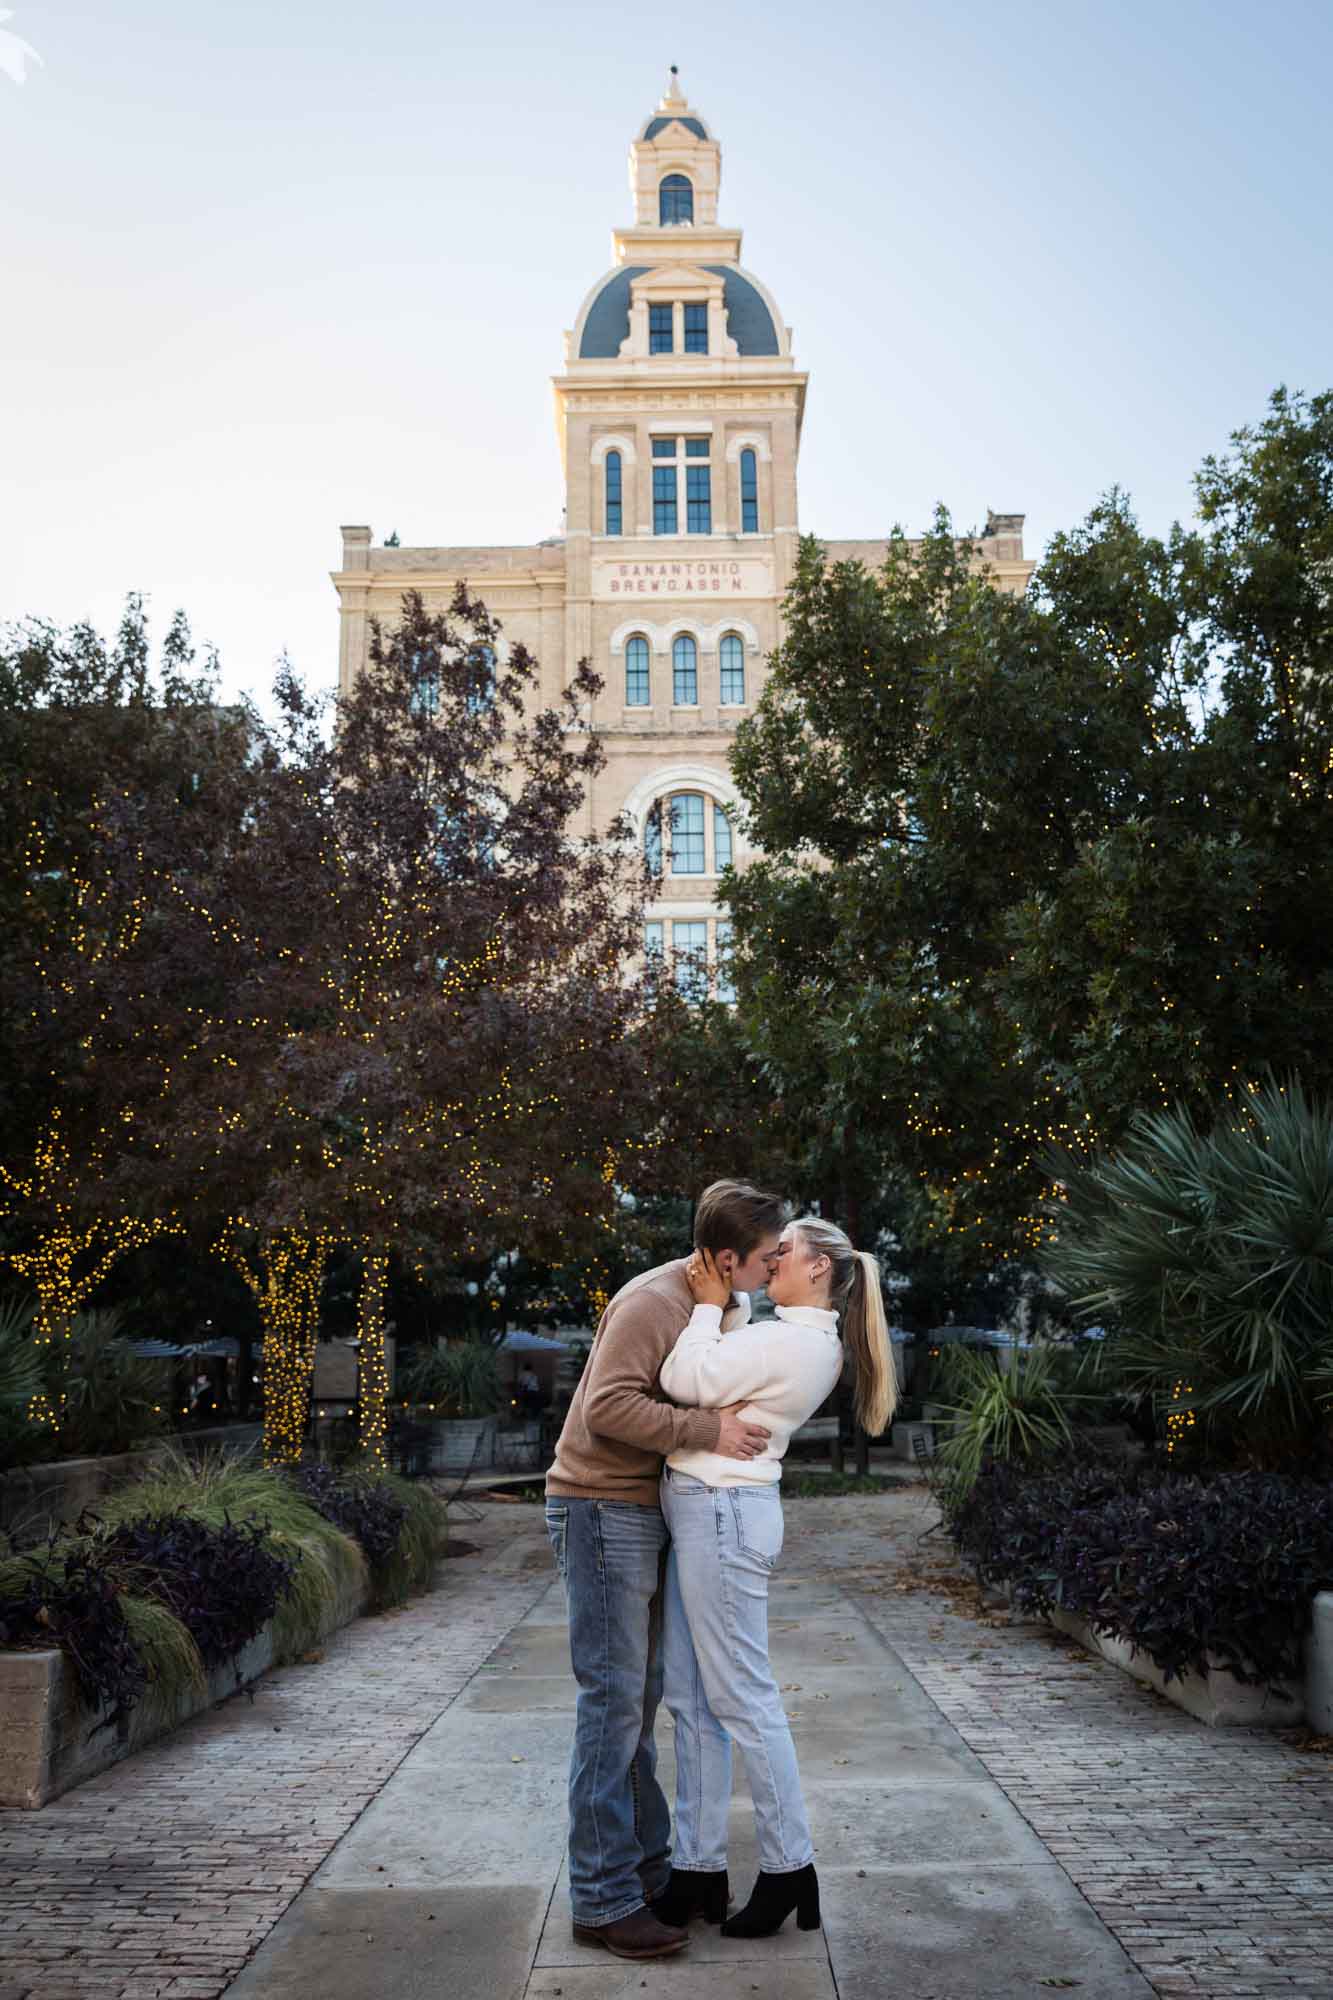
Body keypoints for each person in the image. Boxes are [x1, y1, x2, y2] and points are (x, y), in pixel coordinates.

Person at [544, 1180, 786, 1962]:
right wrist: (706, 1428)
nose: (775, 1265)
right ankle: (602, 1898)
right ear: (723, 1257)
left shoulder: (717, 1307)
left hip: (639, 1513)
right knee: (612, 1706)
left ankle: (644, 1873)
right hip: (600, 1509)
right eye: (765, 1256)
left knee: (640, 1700)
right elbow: (605, 1408)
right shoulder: (653, 1302)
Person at [652, 1215, 896, 1940]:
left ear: (819, 1267)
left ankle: (789, 1865)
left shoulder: (792, 1339)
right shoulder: (779, 1330)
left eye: (783, 1249)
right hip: (707, 1512)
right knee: (690, 1698)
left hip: (721, 1514)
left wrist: (703, 1307)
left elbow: (680, 1377)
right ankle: (695, 1869)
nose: (770, 1258)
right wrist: (723, 1327)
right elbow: (704, 1384)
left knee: (742, 1700)